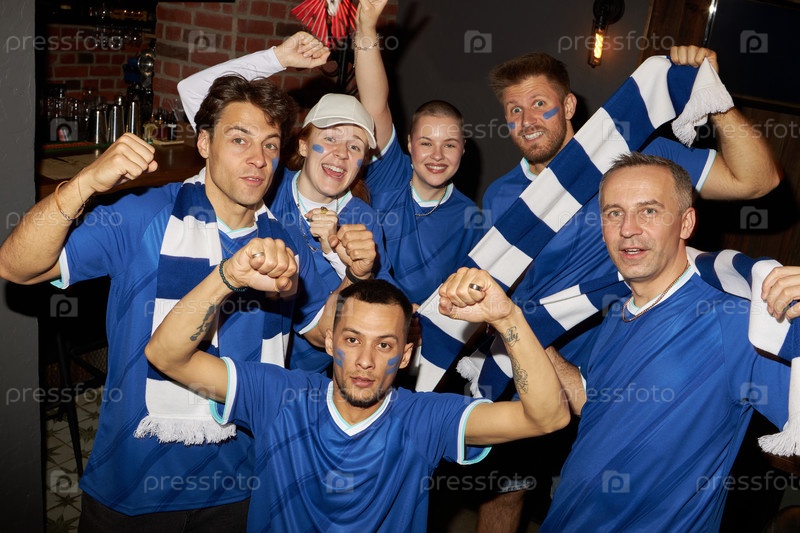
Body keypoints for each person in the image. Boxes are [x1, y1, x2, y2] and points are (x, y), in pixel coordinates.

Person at [0, 32, 378, 530]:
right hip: (134, 481)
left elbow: (328, 333)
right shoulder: (144, 216)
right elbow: (17, 266)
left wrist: (356, 274)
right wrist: (85, 183)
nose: (258, 158)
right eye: (239, 139)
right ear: (204, 143)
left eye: (269, 145)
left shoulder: (286, 240)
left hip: (241, 483)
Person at [472, 46, 783, 530]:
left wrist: (711, 94)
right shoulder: (502, 197)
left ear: (569, 105)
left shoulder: (637, 161)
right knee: (509, 490)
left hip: (644, 351)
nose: (526, 120)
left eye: (539, 104)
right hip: (548, 368)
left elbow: (757, 181)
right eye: (513, 110)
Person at [143, 243, 571, 531]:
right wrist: (227, 275)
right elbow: (165, 355)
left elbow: (548, 417)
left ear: (405, 354)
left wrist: (507, 317)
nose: (366, 360)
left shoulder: (425, 419)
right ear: (330, 342)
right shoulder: (278, 396)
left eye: (384, 345)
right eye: (352, 340)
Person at [539, 152, 789, 530]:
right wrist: (529, 337)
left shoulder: (735, 319)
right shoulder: (617, 313)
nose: (628, 229)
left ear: (686, 223)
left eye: (649, 211)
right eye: (614, 213)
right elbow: (595, 404)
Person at [178, 32, 395, 373]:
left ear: (362, 161)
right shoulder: (265, 181)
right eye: (330, 138)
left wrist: (349, 266)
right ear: (304, 145)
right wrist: (277, 58)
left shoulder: (363, 222)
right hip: (227, 337)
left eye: (355, 146)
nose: (341, 153)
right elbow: (191, 92)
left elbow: (360, 320)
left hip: (307, 373)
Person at [353, 0, 486, 305]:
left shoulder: (470, 219)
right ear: (410, 144)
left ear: (462, 149)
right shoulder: (390, 173)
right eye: (426, 143)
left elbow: (465, 298)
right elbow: (375, 103)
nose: (437, 155)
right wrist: (366, 28)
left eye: (449, 145)